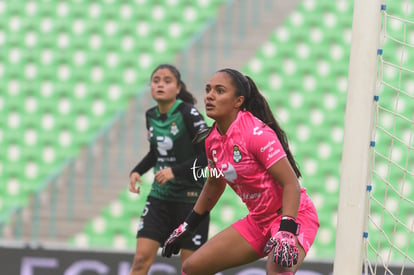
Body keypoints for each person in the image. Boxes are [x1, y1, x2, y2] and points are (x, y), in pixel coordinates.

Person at [162, 68, 319, 275]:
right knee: (192, 268)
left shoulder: (256, 134)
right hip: (259, 220)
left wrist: (287, 230)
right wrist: (187, 226)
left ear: (238, 101)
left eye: (219, 91)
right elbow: (214, 183)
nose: (209, 96)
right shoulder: (211, 140)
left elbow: (291, 185)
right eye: (208, 90)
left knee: (278, 270)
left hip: (294, 215)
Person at [129, 64, 210, 275]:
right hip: (160, 199)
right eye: (156, 81)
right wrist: (137, 171)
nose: (160, 85)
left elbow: (208, 155)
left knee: (191, 268)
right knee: (140, 261)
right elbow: (156, 152)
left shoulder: (189, 114)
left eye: (167, 81)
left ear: (178, 87)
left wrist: (175, 171)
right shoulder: (151, 116)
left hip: (192, 202)